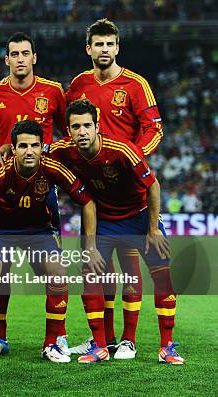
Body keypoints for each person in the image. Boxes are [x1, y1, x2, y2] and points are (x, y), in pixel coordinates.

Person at [50, 99, 183, 364]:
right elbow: (35, 153)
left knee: (163, 277)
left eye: (87, 125)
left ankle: (167, 346)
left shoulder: (123, 150)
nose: (82, 132)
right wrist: (7, 148)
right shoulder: (62, 150)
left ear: (97, 127)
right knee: (90, 272)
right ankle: (99, 345)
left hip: (140, 217)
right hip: (105, 221)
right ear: (68, 130)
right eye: (76, 127)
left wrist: (153, 228)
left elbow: (153, 186)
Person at [66, 18, 165, 359]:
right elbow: (69, 127)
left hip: (129, 189)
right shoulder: (78, 84)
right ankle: (102, 342)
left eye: (110, 44)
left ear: (117, 47)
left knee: (133, 271)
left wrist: (129, 159)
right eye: (98, 44)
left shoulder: (136, 84)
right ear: (88, 48)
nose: (104, 49)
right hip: (96, 197)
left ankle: (128, 339)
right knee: (96, 271)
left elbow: (154, 130)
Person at [0, 32, 68, 355]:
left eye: (25, 53)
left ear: (34, 57)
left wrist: (51, 156)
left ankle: (56, 338)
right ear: (6, 59)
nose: (20, 58)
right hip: (3, 192)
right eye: (14, 54)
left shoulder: (53, 91)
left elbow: (69, 131)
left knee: (55, 272)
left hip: (42, 194)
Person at [0, 120, 100, 364]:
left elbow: (87, 200)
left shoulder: (53, 168)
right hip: (0, 230)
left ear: (42, 147)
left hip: (38, 231)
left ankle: (52, 344)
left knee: (58, 273)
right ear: (13, 149)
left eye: (35, 145)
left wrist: (89, 246)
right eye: (23, 146)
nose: (30, 151)